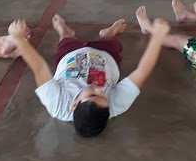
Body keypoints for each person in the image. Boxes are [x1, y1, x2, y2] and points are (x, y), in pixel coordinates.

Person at [9, 13, 170, 137]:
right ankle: (109, 32)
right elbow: (143, 70)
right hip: (105, 55)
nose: (99, 90)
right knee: (111, 41)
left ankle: (63, 30)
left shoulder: (57, 104)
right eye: (104, 97)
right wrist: (157, 37)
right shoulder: (117, 104)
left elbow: (39, 68)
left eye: (92, 95)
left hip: (70, 55)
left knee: (65, 39)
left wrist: (19, 40)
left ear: (74, 104)